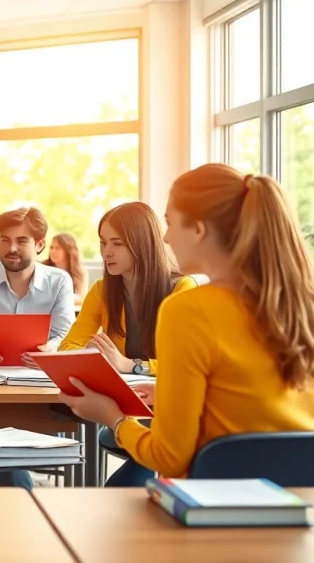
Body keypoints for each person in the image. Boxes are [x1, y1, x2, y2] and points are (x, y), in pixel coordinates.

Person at [62, 164, 314, 481]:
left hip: (213, 510)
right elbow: (257, 404)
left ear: (199, 229)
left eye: (169, 222)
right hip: (299, 510)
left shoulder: (188, 309)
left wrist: (114, 418)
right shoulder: (313, 307)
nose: (165, 236)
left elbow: (169, 458)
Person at [57, 202, 196, 487]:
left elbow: (184, 365)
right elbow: (68, 347)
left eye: (117, 243)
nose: (106, 252)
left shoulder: (182, 289)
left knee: (134, 469)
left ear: (142, 243)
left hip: (166, 409)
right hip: (121, 405)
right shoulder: (102, 291)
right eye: (103, 242)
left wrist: (132, 366)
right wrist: (90, 359)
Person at [0, 207, 75, 490]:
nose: (11, 248)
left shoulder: (59, 282)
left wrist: (53, 349)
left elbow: (66, 335)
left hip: (44, 385)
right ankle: (24, 495)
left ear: (39, 245)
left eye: (22, 241)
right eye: (4, 239)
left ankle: (23, 492)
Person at [43, 233, 87, 305]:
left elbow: (81, 299)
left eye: (57, 248)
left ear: (68, 250)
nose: (53, 251)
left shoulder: (80, 272)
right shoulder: (42, 268)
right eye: (51, 247)